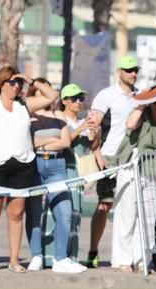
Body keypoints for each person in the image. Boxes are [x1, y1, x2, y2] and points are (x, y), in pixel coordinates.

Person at [0, 66, 58, 273]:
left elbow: (52, 96)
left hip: (22, 165)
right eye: (12, 82)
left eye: (18, 82)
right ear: (1, 84)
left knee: (17, 213)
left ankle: (14, 260)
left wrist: (30, 79)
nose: (16, 86)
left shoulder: (24, 105)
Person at [114, 94, 156, 273]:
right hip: (132, 169)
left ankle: (141, 259)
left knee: (148, 219)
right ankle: (124, 260)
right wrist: (142, 103)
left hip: (154, 171)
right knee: (128, 216)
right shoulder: (141, 115)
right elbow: (130, 125)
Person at [23, 78, 85, 273]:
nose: (45, 96)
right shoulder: (27, 114)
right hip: (35, 165)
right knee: (34, 213)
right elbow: (28, 142)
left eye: (47, 91)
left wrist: (43, 141)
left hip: (57, 166)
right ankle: (36, 255)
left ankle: (61, 258)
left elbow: (65, 142)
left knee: (64, 213)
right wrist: (52, 138)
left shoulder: (58, 114)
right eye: (40, 92)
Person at [86, 55, 140, 268]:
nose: (133, 74)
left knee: (131, 208)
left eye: (135, 69)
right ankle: (93, 251)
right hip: (109, 156)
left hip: (132, 158)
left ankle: (130, 257)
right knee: (104, 205)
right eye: (129, 70)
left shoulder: (140, 96)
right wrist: (97, 153)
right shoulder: (106, 95)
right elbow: (93, 126)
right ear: (119, 72)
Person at [60, 83, 98, 264]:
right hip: (65, 170)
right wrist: (81, 128)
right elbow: (64, 141)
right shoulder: (61, 119)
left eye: (80, 98)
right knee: (64, 214)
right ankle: (59, 256)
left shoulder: (81, 121)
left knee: (76, 214)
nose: (78, 102)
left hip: (79, 174)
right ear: (64, 101)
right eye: (74, 98)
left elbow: (93, 146)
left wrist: (94, 131)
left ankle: (72, 256)